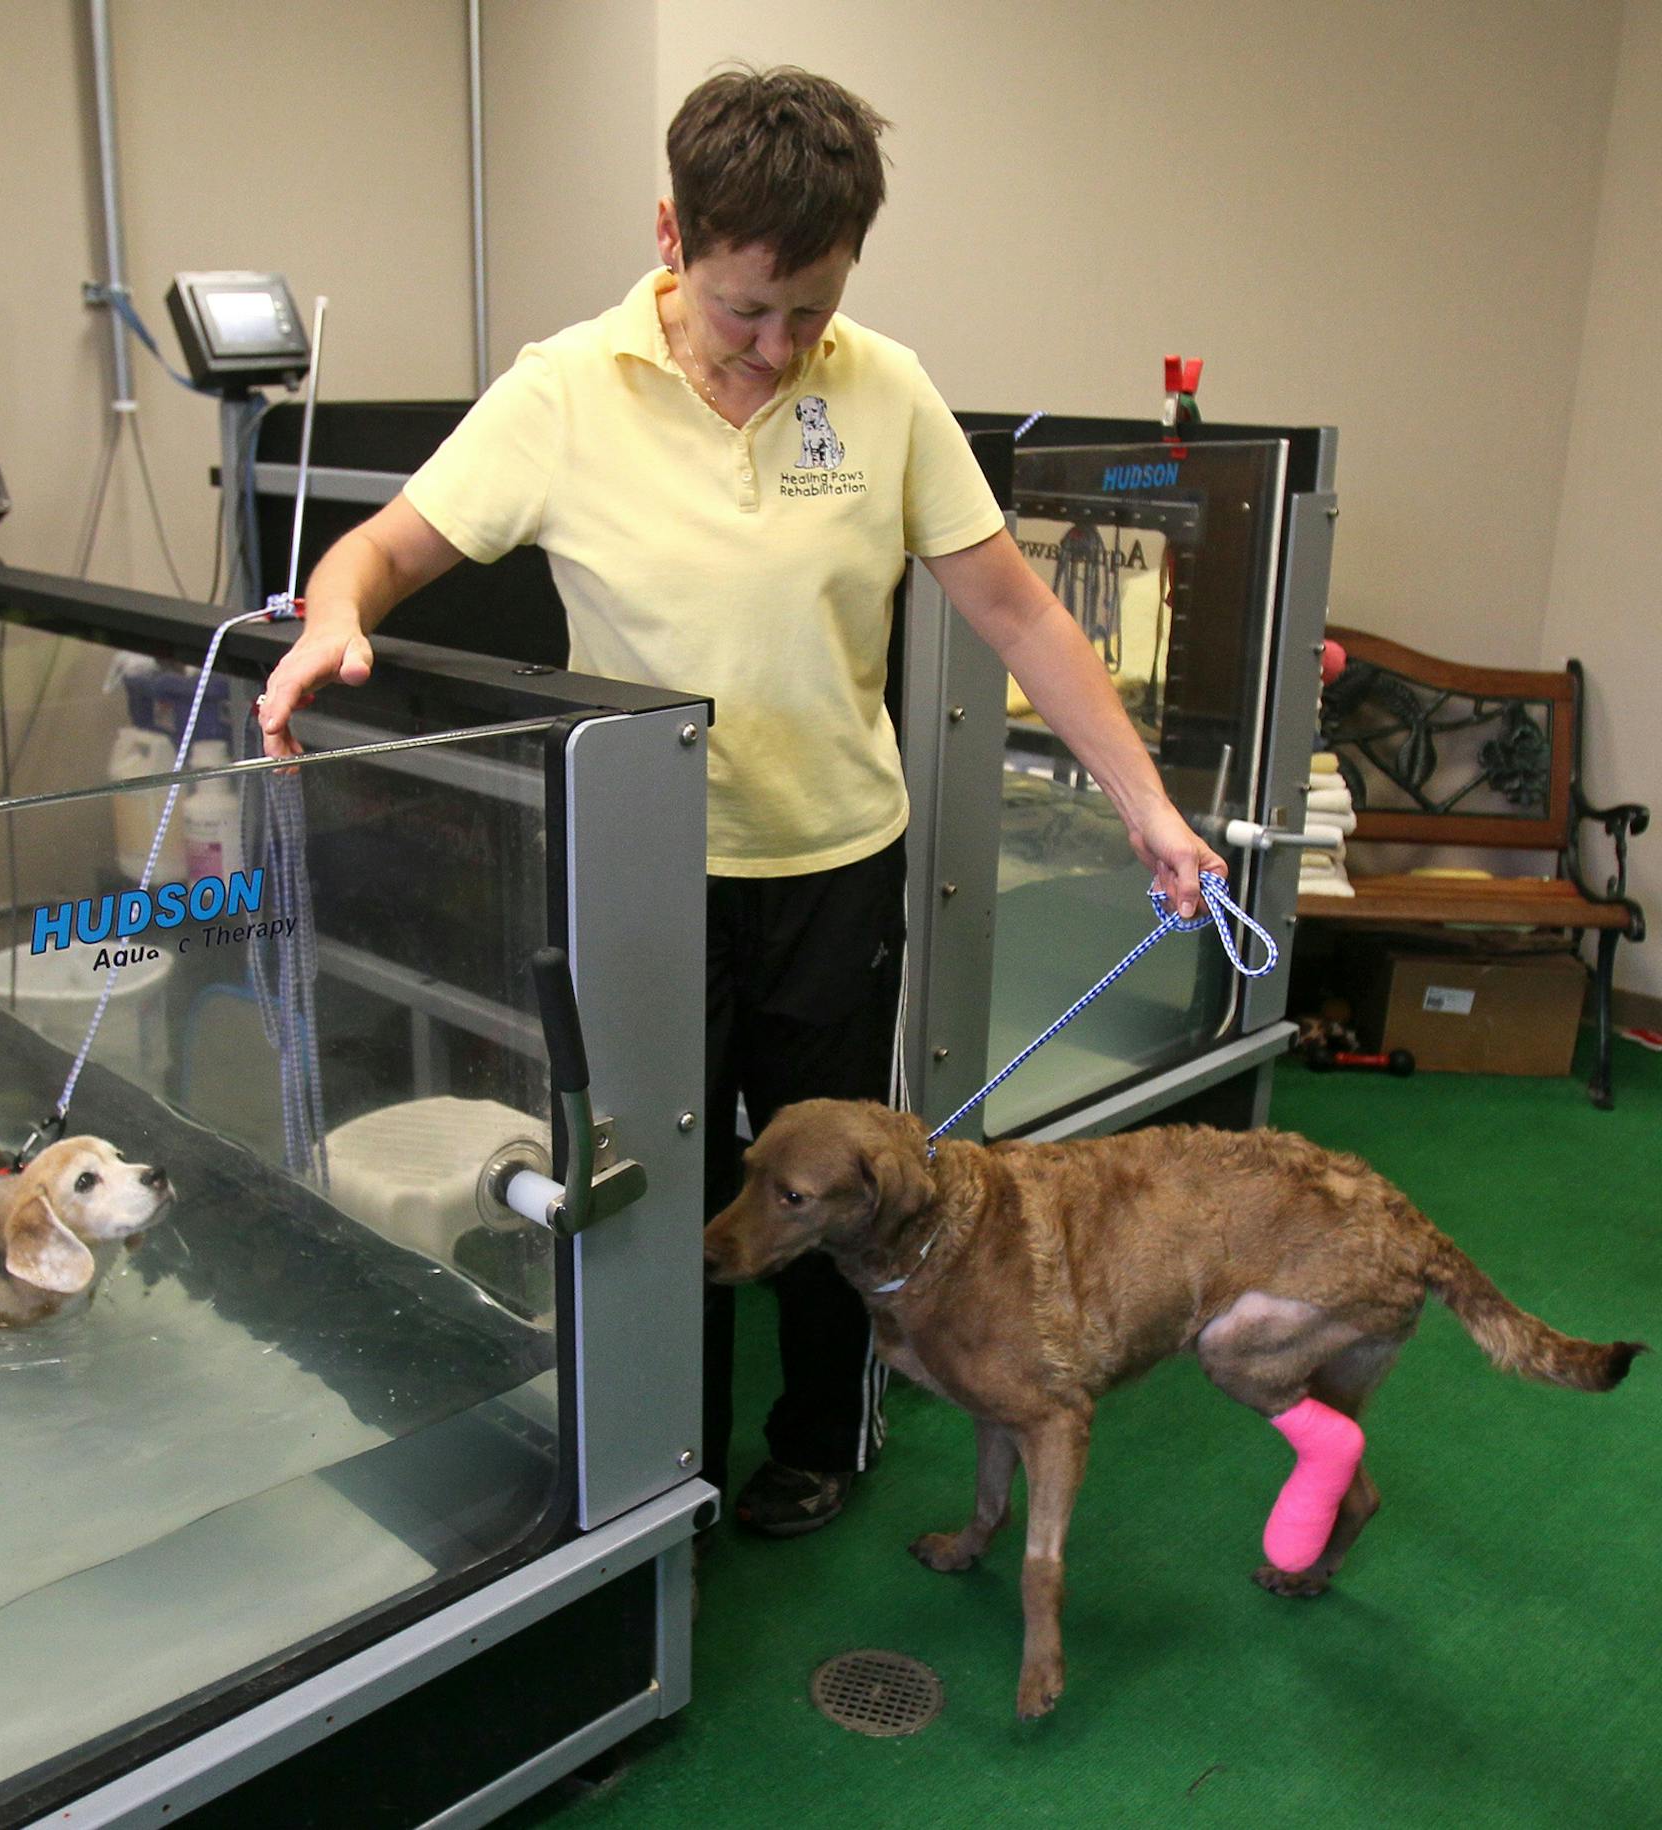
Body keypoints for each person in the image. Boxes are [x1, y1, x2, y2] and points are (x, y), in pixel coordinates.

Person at [258, 66, 1222, 1535]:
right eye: (742, 312)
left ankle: (822, 1435)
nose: (777, 350)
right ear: (670, 235)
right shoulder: (563, 390)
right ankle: (674, 1462)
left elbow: (1022, 617)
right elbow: (379, 552)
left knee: (852, 1189)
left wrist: (1147, 803)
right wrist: (335, 615)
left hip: (836, 863)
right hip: (646, 874)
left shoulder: (885, 390)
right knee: (667, 1179)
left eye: (809, 314)